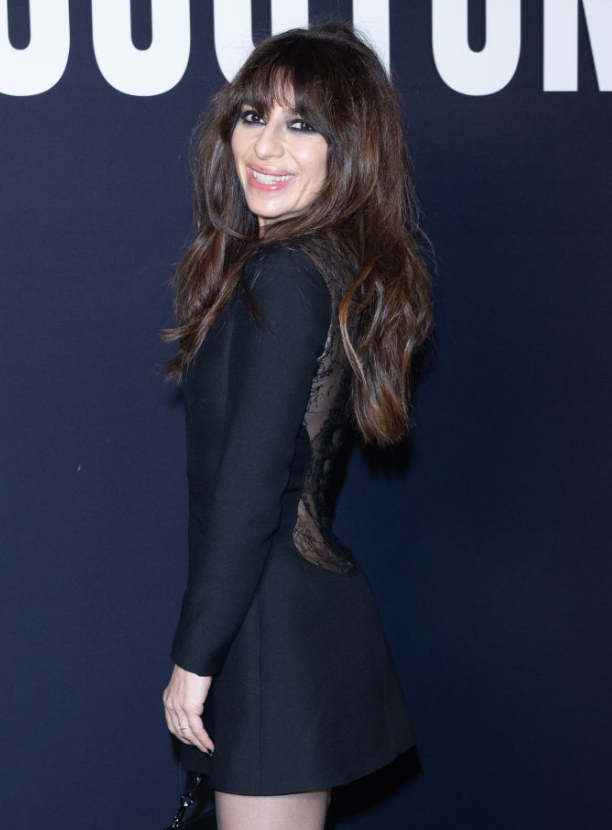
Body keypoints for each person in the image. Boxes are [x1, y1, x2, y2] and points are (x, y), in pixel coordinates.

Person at [160, 23, 431, 830]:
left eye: (301, 124)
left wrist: (193, 658)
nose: (265, 147)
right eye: (253, 116)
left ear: (347, 149)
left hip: (270, 633)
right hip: (288, 621)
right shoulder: (324, 263)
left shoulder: (285, 272)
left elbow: (250, 487)